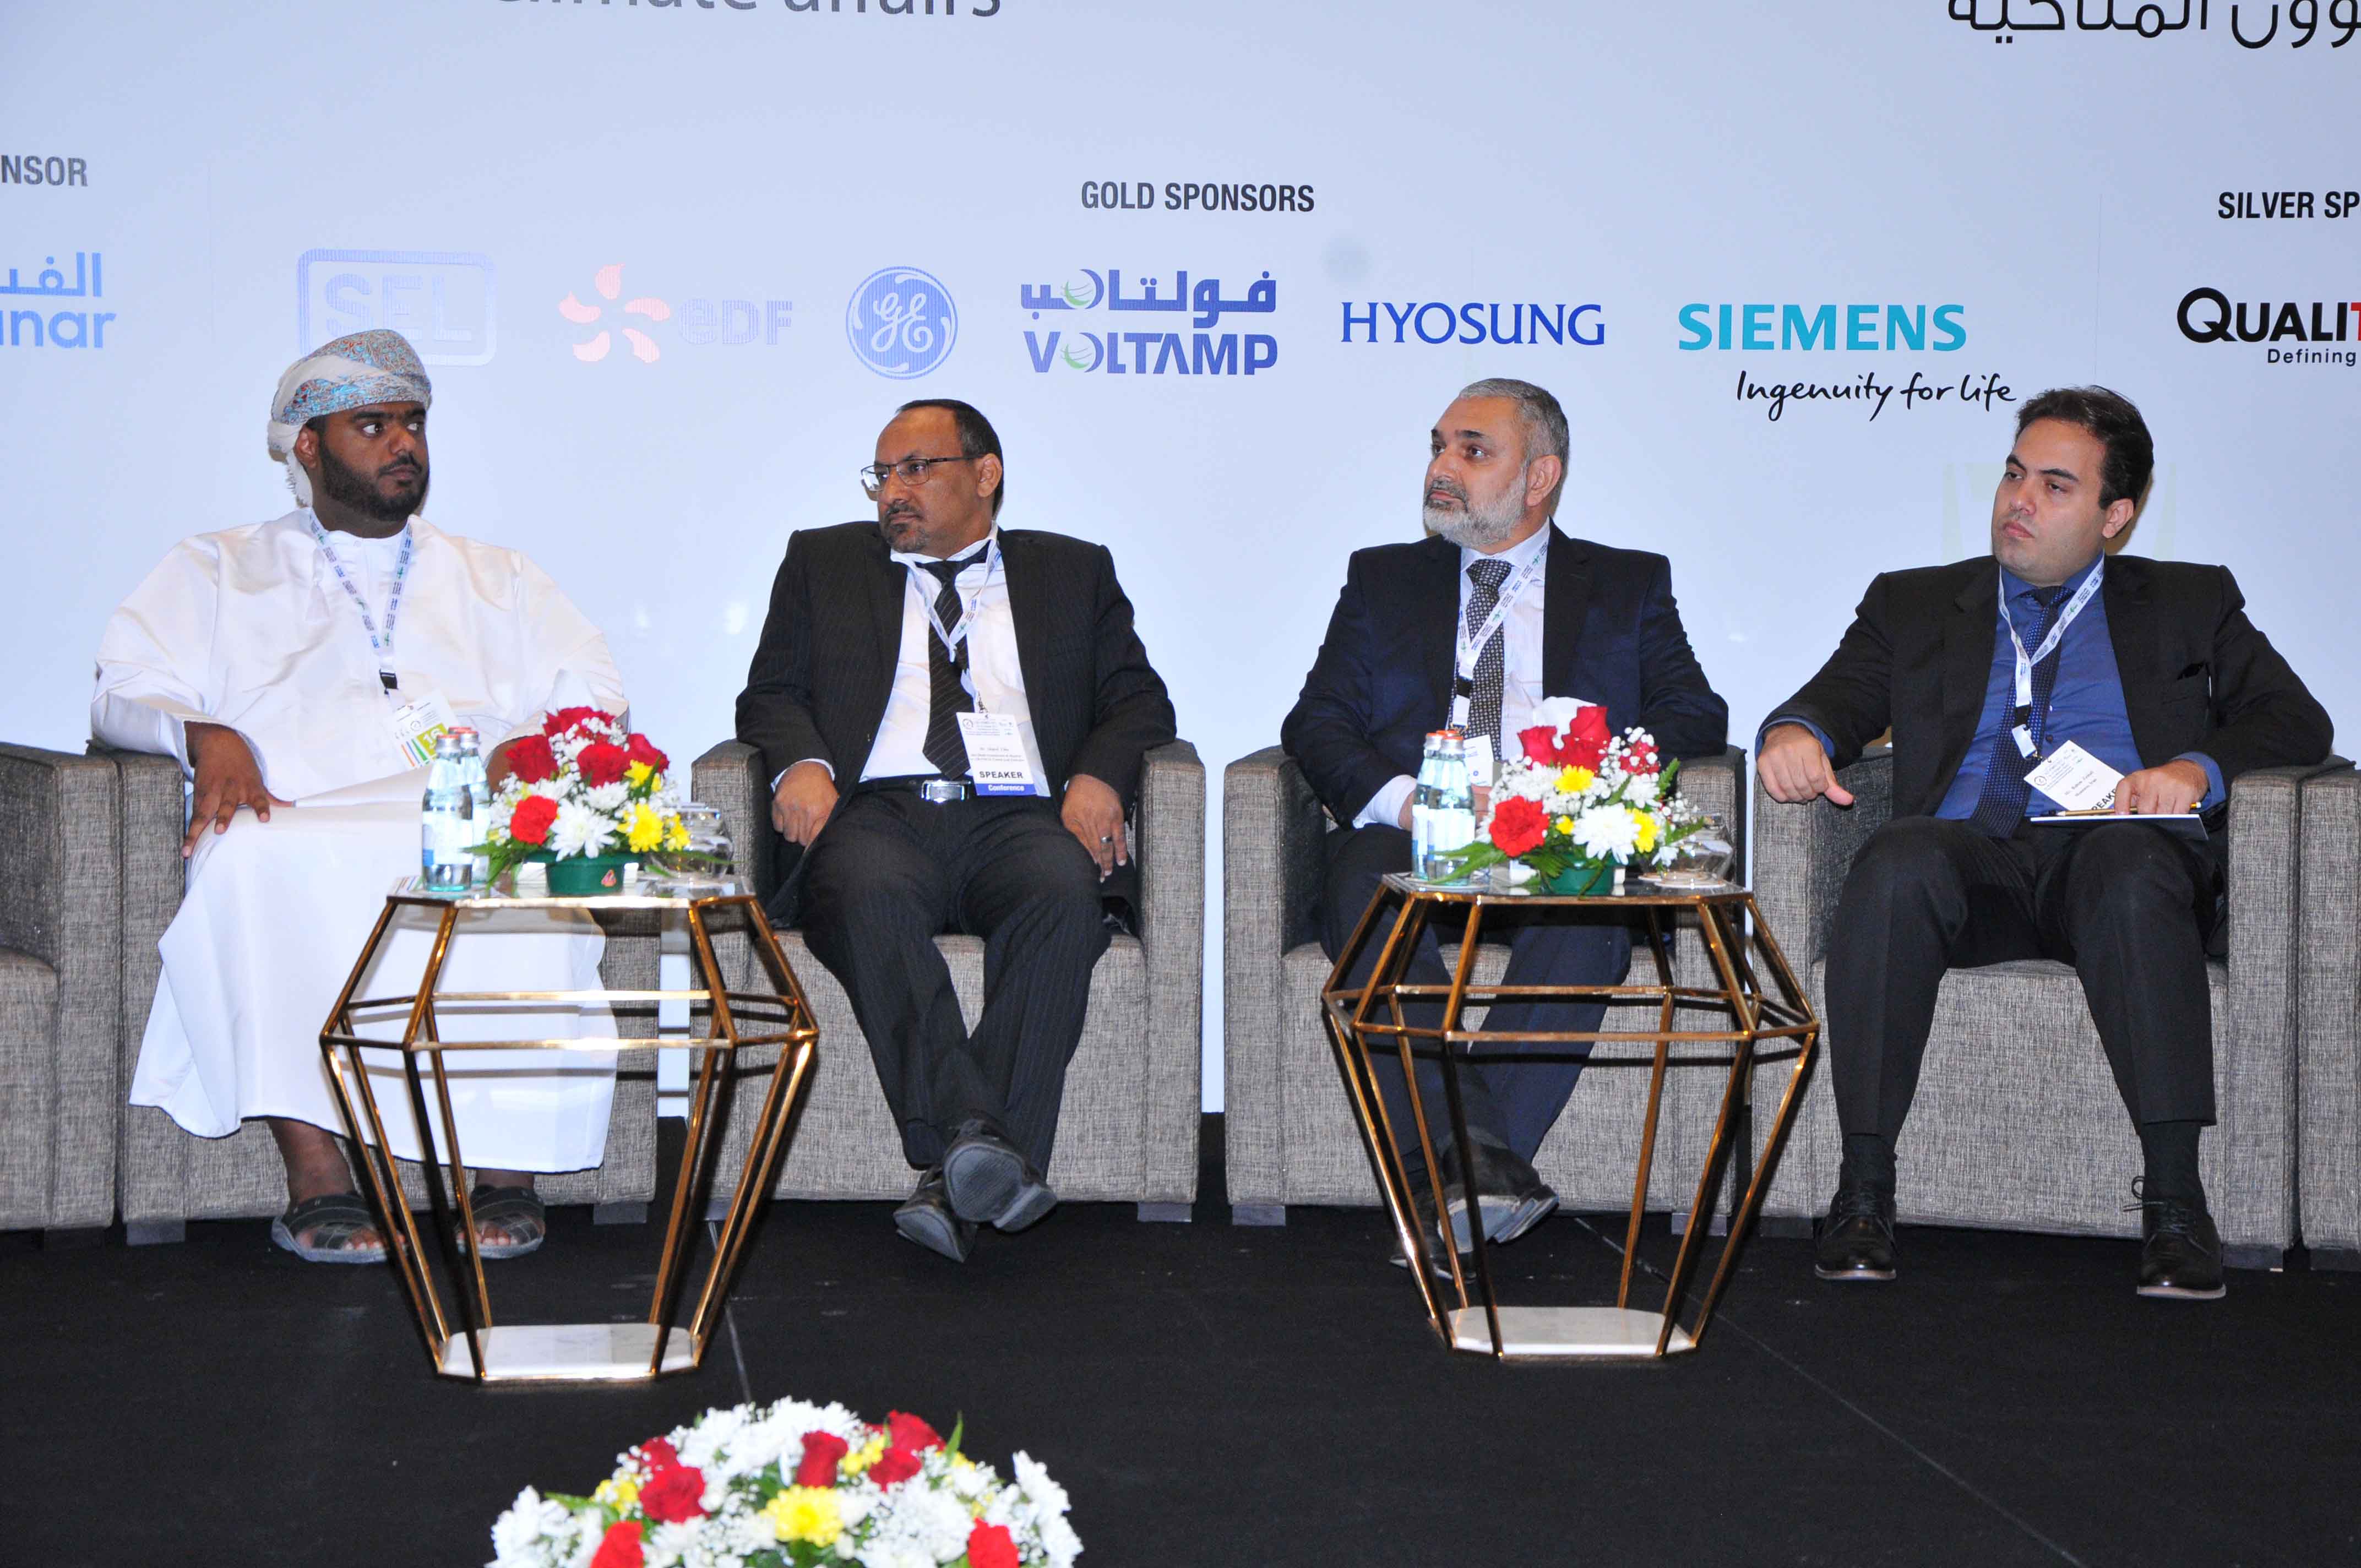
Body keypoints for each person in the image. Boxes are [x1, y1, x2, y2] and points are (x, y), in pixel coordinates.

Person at [1758, 385, 2332, 1300]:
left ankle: (2176, 1206)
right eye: (2014, 474)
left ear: (2115, 515)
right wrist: (1797, 731)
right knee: (1898, 858)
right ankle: (1862, 1193)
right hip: (1971, 864)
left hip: (2112, 858)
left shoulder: (2190, 601)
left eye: (2055, 486)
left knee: (2130, 863)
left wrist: (2195, 769)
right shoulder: (1914, 602)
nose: (2018, 501)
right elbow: (1836, 697)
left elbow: (2295, 718)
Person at [94, 330, 630, 1264]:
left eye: (413, 423)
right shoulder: (218, 567)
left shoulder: (496, 576)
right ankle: (318, 1175)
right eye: (373, 426)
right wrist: (204, 735)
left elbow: (595, 689)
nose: (403, 444)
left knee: (521, 866)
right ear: (307, 446)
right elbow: (121, 689)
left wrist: (532, 747)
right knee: (246, 856)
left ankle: (503, 1165)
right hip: (297, 818)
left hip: (458, 813)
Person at [1282, 378, 1729, 1272]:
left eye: (1472, 450)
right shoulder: (1383, 579)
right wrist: (1409, 800)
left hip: (1553, 832)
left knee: (1588, 924)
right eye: (1439, 446)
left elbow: (1694, 711)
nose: (1442, 468)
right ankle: (1479, 1167)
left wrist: (1581, 784)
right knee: (1363, 889)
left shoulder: (1627, 583)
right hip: (1418, 825)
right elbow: (1317, 720)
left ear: (1540, 477)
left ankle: (1456, 1181)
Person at [736, 398, 1176, 1263]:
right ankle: (981, 1144)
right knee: (861, 892)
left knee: (1064, 896)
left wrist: (1097, 775)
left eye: (915, 469)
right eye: (881, 475)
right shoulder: (823, 562)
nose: (891, 492)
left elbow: (1139, 700)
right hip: (880, 812)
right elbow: (770, 694)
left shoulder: (1073, 571)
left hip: (1017, 814)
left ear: (985, 474)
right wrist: (801, 764)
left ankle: (958, 1166)